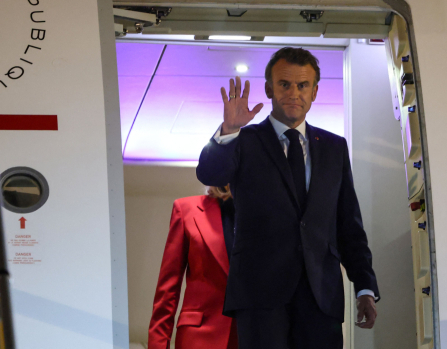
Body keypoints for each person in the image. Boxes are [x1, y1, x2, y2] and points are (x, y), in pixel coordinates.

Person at [196, 47, 379, 349]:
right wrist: (229, 129)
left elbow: (349, 225)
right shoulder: (245, 140)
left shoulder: (334, 147)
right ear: (269, 88)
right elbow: (210, 173)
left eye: (302, 85)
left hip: (321, 298)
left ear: (315, 92)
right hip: (260, 297)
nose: (294, 93)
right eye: (284, 84)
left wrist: (364, 287)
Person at [148, 187, 238, 349]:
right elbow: (168, 288)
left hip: (252, 335)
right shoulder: (186, 209)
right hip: (199, 337)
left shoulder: (267, 213)